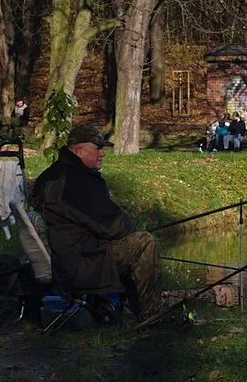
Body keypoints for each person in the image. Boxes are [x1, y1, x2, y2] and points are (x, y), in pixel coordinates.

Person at [31, 122, 158, 318]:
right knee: (144, 243)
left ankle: (122, 308)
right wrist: (131, 230)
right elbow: (113, 225)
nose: (102, 154)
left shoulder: (53, 174)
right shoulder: (78, 182)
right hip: (81, 262)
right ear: (79, 150)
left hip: (67, 254)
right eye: (97, 148)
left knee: (130, 242)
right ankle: (149, 315)